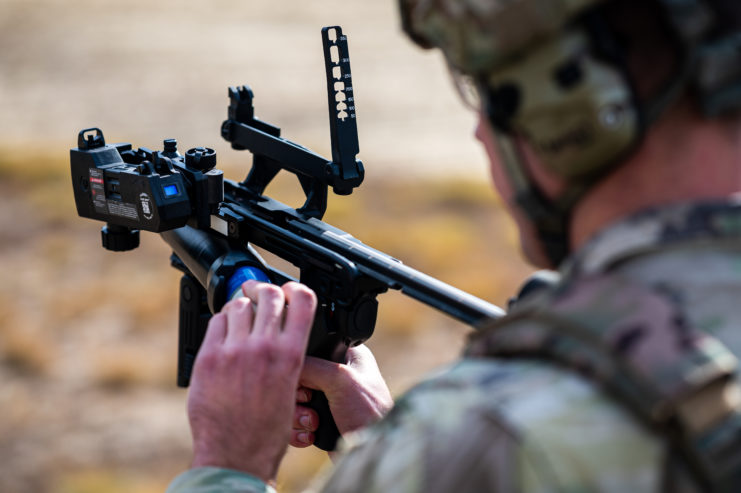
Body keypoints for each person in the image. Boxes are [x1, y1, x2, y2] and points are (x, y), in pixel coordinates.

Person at [167, 0, 741, 491]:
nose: (479, 131)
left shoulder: (492, 429)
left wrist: (227, 462)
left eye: (485, 93)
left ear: (567, 108)